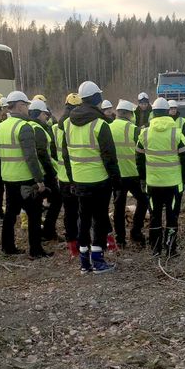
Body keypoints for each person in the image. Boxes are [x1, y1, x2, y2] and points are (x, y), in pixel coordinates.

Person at [65, 81, 120, 273]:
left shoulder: (67, 124)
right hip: (99, 181)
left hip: (79, 180)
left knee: (83, 218)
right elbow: (109, 157)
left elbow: (66, 155)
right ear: (97, 98)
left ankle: (84, 262)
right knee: (99, 219)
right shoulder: (100, 124)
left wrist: (72, 178)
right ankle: (98, 260)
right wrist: (116, 179)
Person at [0, 91, 52, 258]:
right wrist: (39, 180)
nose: (28, 108)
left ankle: (8, 247)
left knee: (10, 214)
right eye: (26, 105)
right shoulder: (24, 126)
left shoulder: (2, 125)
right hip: (25, 179)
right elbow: (31, 156)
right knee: (34, 215)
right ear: (20, 106)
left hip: (8, 177)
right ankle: (36, 250)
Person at [136, 97, 185, 256]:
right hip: (173, 184)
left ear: (153, 113)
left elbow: (139, 159)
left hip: (153, 184)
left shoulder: (144, 133)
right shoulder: (176, 133)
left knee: (155, 216)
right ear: (168, 112)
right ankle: (171, 249)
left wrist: (143, 178)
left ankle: (155, 248)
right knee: (172, 217)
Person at [109, 99, 148, 248]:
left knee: (118, 207)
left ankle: (120, 239)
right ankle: (136, 232)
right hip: (133, 173)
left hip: (116, 175)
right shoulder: (134, 129)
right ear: (128, 113)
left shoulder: (108, 128)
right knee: (143, 201)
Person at [28, 99, 61, 242]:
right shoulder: (38, 129)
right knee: (57, 200)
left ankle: (44, 231)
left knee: (37, 205)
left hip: (34, 172)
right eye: (44, 114)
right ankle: (48, 231)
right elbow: (42, 153)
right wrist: (51, 172)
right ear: (39, 114)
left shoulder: (29, 126)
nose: (46, 116)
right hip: (44, 173)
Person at [56, 93, 82, 258]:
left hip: (62, 177)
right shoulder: (73, 124)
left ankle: (72, 247)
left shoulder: (56, 125)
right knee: (81, 212)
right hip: (75, 175)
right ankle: (82, 243)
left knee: (69, 212)